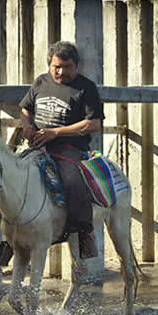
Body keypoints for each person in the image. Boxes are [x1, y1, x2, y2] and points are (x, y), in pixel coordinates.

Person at [19, 40, 103, 259]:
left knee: (73, 181)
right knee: (7, 174)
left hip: (69, 148)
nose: (61, 71)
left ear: (76, 66)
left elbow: (93, 124)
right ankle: (9, 236)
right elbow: (26, 109)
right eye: (56, 67)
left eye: (67, 67)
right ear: (49, 65)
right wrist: (27, 127)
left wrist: (56, 132)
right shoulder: (40, 82)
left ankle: (83, 232)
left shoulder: (86, 88)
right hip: (37, 144)